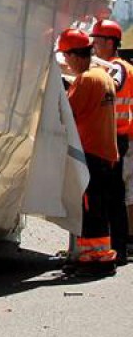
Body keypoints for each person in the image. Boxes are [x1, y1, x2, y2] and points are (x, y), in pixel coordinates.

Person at [58, 27, 119, 276]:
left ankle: (99, 258)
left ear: (74, 56)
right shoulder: (102, 76)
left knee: (91, 208)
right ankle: (92, 255)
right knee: (96, 207)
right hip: (104, 151)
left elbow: (67, 114)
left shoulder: (85, 80)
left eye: (66, 58)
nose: (67, 64)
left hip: (91, 152)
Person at [91, 18, 133, 264]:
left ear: (109, 42)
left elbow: (111, 86)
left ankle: (115, 247)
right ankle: (118, 246)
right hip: (118, 136)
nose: (94, 45)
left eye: (97, 40)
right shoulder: (124, 66)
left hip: (113, 137)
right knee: (116, 194)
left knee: (112, 195)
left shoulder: (115, 68)